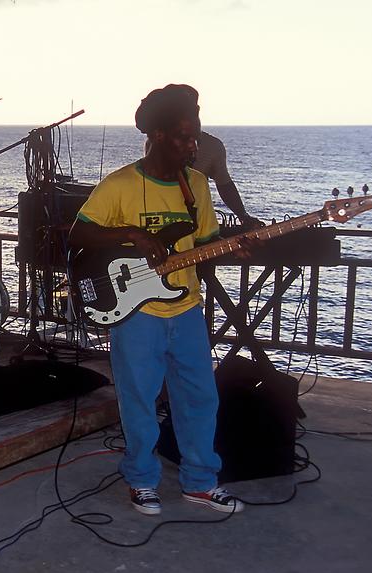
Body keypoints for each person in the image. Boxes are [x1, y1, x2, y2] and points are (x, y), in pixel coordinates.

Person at [69, 85, 247, 516]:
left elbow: (204, 244)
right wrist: (132, 234)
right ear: (159, 136)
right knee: (139, 400)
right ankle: (142, 478)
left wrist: (228, 248)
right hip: (138, 312)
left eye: (196, 136)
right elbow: (79, 235)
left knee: (200, 397)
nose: (194, 145)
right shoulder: (120, 185)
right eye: (185, 136)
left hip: (185, 307)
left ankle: (201, 482)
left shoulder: (197, 186)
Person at [144, 84, 263, 228]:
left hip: (197, 222)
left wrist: (243, 216)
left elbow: (224, 184)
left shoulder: (213, 147)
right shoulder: (157, 142)